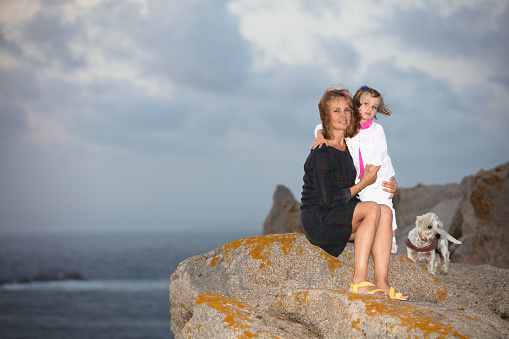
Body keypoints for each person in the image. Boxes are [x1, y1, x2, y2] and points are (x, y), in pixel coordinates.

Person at [301, 86, 408, 300]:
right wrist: (363, 184)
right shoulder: (322, 152)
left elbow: (379, 159)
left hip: (340, 215)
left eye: (347, 110)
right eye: (336, 111)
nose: (343, 115)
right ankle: (359, 280)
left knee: (385, 211)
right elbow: (328, 200)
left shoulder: (348, 145)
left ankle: (382, 283)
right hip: (320, 219)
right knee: (371, 209)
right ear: (325, 115)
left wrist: (390, 181)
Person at [312, 85, 399, 253]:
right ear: (356, 105)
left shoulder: (377, 129)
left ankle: (392, 239)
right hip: (361, 180)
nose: (370, 109)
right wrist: (320, 135)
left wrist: (371, 174)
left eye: (374, 107)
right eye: (365, 104)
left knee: (386, 204)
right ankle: (373, 237)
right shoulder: (348, 127)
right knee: (368, 206)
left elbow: (380, 153)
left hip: (379, 175)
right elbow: (321, 126)